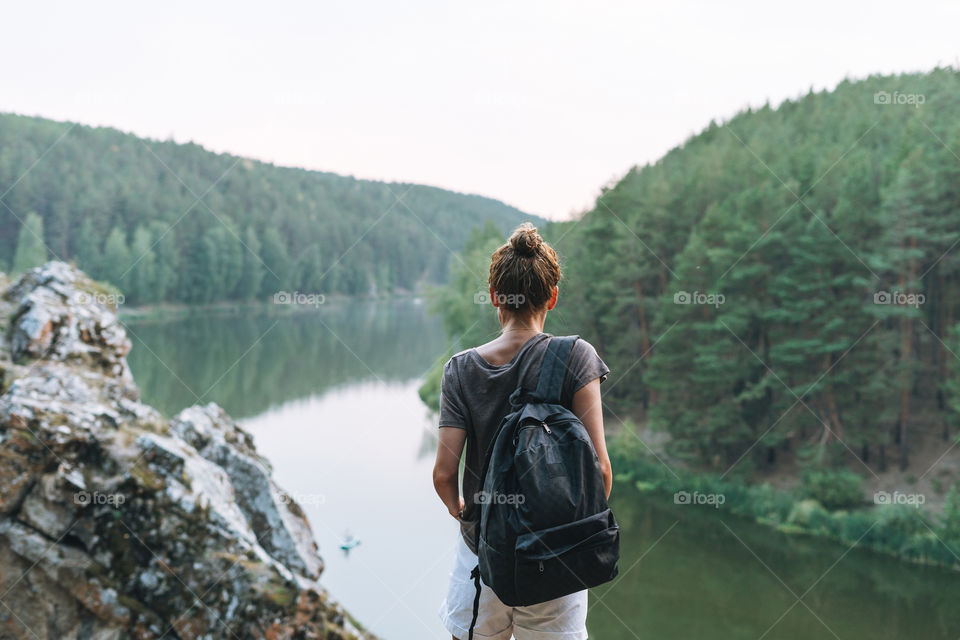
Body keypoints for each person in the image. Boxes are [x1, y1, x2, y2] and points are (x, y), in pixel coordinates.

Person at [433, 222, 612, 640]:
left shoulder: (461, 369)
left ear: (496, 296)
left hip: (484, 556)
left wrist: (470, 517)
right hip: (557, 554)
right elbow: (600, 471)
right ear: (552, 296)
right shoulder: (577, 357)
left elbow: (444, 475)